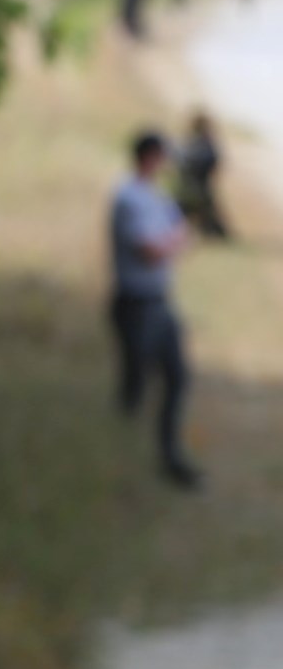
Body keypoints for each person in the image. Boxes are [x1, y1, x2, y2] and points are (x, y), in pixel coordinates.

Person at [110, 130, 202, 490]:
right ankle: (117, 459)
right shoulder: (128, 197)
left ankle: (170, 457)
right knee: (136, 384)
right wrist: (175, 241)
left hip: (160, 302)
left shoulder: (156, 196)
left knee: (177, 378)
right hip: (135, 306)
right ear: (150, 156)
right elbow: (151, 251)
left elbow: (180, 231)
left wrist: (174, 239)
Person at [176, 110, 231, 241]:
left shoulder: (196, 143)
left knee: (205, 218)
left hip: (195, 186)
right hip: (196, 187)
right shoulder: (201, 143)